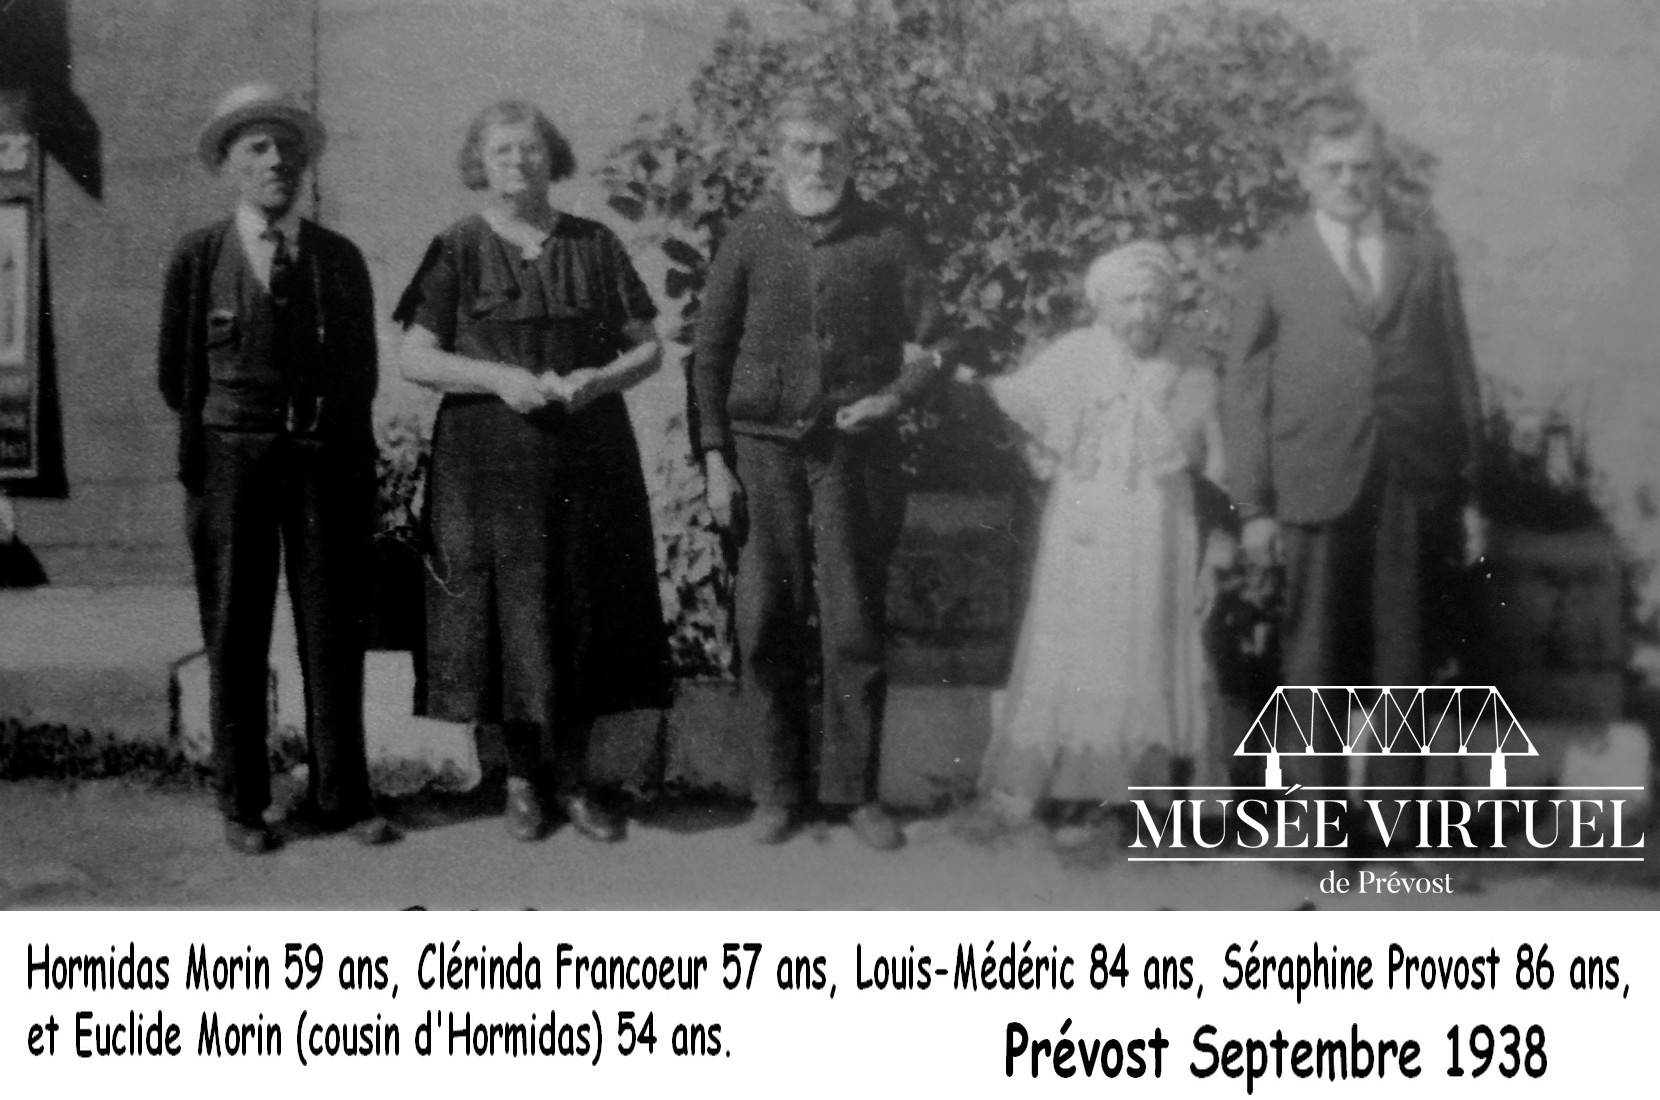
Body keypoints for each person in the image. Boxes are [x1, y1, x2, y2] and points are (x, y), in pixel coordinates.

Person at [395, 100, 669, 843]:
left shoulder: (596, 244)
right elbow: (414, 356)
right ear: (479, 164)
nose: (518, 161)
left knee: (581, 606)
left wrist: (600, 381)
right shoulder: (454, 247)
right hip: (487, 466)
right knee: (504, 611)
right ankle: (518, 780)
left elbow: (650, 348)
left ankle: (577, 783)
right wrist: (496, 378)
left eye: (532, 148)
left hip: (587, 457)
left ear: (554, 157)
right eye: (503, 151)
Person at [692, 91, 949, 849]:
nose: (817, 161)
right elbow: (707, 354)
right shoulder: (750, 235)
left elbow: (937, 345)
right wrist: (714, 458)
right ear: (778, 154)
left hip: (853, 457)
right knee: (766, 619)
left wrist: (892, 399)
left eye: (831, 148)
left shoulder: (886, 237)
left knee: (852, 625)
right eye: (802, 147)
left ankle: (853, 794)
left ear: (852, 156)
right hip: (761, 454)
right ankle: (775, 792)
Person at [1221, 90, 1483, 824]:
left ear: (1379, 171)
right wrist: (1254, 508)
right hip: (1313, 477)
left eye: (1362, 167)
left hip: (1410, 478)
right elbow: (1244, 392)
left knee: (1407, 652)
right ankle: (1320, 826)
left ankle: (1397, 822)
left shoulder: (1422, 255)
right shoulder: (1272, 265)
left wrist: (1467, 494)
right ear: (1303, 172)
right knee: (1313, 657)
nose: (1349, 181)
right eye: (1332, 168)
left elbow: (1459, 374)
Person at [158, 84, 394, 854]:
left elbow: (360, 372)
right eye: (256, 147)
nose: (276, 160)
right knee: (235, 626)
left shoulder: (337, 259)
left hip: (323, 462)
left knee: (331, 628)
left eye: (286, 147)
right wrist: (229, 432)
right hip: (231, 462)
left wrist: (342, 454)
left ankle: (341, 794)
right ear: (228, 163)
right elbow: (176, 373)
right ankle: (243, 803)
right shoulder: (200, 257)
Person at [967, 242, 1236, 845]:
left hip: (1161, 529)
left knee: (1145, 646)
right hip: (1086, 528)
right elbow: (1018, 404)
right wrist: (1042, 448)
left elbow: (1218, 464)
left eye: (1153, 299)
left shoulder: (1192, 367)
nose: (1142, 312)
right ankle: (1073, 790)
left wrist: (1217, 551)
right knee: (1081, 644)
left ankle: (1135, 797)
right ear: (1103, 304)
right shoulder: (1078, 356)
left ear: (1170, 304)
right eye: (1129, 299)